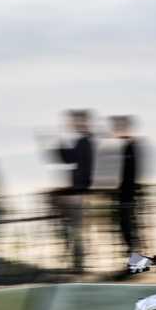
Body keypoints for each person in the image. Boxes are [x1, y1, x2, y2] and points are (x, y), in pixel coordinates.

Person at [43, 110, 96, 274]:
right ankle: (77, 262)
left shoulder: (87, 141)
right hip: (79, 191)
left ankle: (79, 264)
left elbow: (76, 162)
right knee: (75, 229)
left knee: (77, 229)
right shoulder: (83, 141)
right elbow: (69, 158)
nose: (72, 124)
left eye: (75, 121)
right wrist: (58, 145)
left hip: (82, 192)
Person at [111, 116, 144, 258]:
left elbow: (130, 172)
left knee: (129, 228)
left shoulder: (130, 147)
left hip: (128, 195)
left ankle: (134, 258)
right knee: (127, 227)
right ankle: (133, 257)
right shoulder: (124, 147)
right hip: (125, 194)